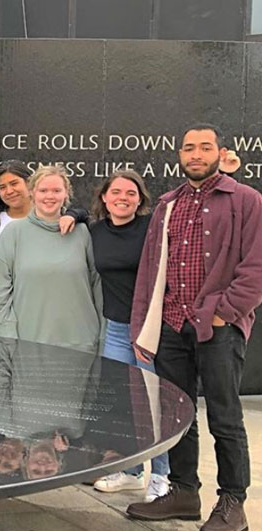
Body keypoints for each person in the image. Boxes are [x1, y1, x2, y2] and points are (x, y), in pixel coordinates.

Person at [126, 124, 262, 531]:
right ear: (180, 155)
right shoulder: (167, 204)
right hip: (171, 324)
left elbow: (256, 266)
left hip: (218, 327)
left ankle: (232, 501)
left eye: (205, 147)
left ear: (221, 152)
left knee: (224, 414)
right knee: (177, 413)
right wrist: (142, 328)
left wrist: (227, 311)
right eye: (189, 148)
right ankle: (184, 493)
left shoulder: (246, 200)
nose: (196, 154)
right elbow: (149, 272)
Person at [86, 170, 169, 501]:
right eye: (116, 191)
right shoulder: (93, 232)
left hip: (149, 329)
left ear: (141, 198)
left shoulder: (152, 229)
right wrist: (74, 215)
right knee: (121, 402)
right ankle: (131, 470)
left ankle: (161, 475)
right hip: (116, 329)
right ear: (104, 198)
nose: (123, 197)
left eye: (131, 192)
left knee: (151, 404)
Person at [0, 165, 102, 353]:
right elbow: (0, 292)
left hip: (81, 343)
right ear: (32, 192)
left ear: (66, 193)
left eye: (56, 190)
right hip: (28, 342)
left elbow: (96, 284)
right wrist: (7, 335)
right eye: (43, 190)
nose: (50, 196)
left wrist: (102, 336)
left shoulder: (82, 233)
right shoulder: (13, 233)